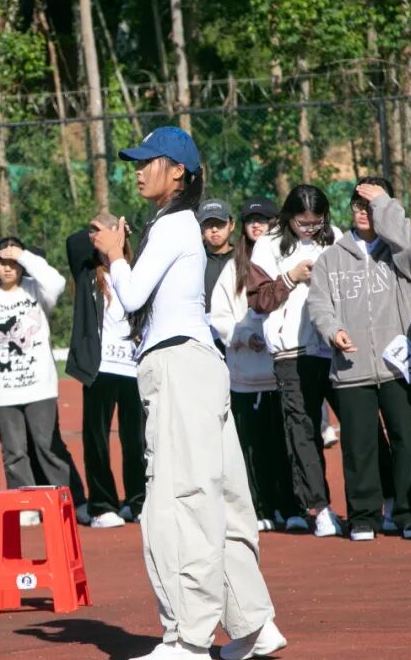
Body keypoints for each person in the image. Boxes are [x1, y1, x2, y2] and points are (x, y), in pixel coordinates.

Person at [91, 126, 283, 660]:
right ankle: (252, 624)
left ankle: (187, 639)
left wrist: (115, 255)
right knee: (220, 496)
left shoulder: (173, 224)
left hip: (178, 366)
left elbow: (132, 296)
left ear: (177, 171)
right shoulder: (178, 225)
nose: (137, 170)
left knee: (177, 501)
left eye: (147, 161)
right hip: (199, 365)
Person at [307, 177, 411, 541]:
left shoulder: (398, 251)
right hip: (352, 367)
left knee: (407, 441)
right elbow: (319, 304)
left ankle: (410, 515)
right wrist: (333, 330)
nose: (365, 212)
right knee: (359, 446)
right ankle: (364, 516)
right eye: (359, 205)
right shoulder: (332, 258)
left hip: (398, 367)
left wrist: (384, 204)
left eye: (371, 205)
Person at [248, 184, 343, 537]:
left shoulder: (336, 238)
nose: (309, 229)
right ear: (288, 217)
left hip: (335, 347)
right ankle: (320, 508)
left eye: (316, 222)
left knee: (358, 424)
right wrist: (290, 277)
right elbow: (258, 300)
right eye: (302, 223)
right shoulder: (268, 245)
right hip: (291, 352)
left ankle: (373, 506)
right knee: (302, 431)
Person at [0, 238, 73, 526]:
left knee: (47, 446)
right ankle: (27, 507)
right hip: (2, 389)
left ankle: (63, 503)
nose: (8, 268)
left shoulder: (36, 289)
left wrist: (24, 255)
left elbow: (58, 282)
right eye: (3, 262)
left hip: (39, 386)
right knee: (14, 452)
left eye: (13, 262)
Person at [211, 197, 294, 532]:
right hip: (246, 377)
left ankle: (292, 506)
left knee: (286, 445)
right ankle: (261, 507)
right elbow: (219, 317)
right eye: (251, 220)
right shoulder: (233, 269)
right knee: (252, 448)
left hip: (283, 372)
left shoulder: (288, 262)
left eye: (265, 220)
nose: (257, 225)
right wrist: (245, 335)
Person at [65, 214, 145, 529]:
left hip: (133, 368)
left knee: (136, 441)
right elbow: (73, 243)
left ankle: (137, 501)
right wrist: (100, 230)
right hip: (99, 368)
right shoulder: (87, 272)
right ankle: (102, 505)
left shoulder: (134, 272)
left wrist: (122, 236)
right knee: (96, 439)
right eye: (97, 235)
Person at [198, 198, 236, 314]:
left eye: (220, 223)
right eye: (208, 224)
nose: (214, 229)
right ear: (201, 228)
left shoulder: (244, 259)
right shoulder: (194, 261)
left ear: (232, 225)